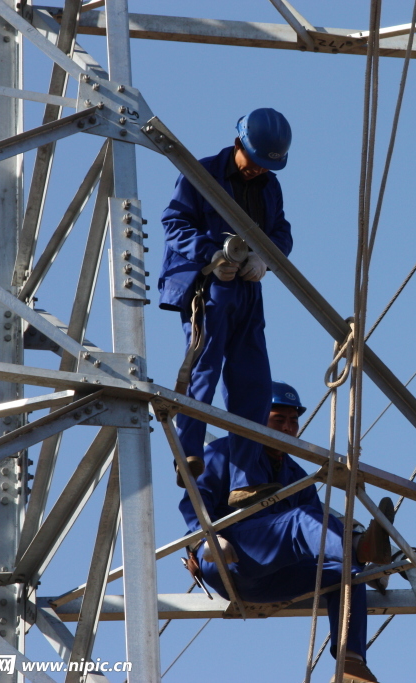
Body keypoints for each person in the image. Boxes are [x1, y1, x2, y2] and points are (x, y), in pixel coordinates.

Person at [180, 382, 390, 683]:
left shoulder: (295, 475)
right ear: (257, 418)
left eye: (293, 421)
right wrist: (207, 538)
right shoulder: (224, 452)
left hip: (268, 578)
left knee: (346, 573)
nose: (289, 428)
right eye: (279, 419)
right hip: (228, 557)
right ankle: (359, 546)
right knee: (301, 521)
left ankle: (352, 665)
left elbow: (316, 530)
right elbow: (193, 498)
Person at [159, 108, 293, 498]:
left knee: (253, 382)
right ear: (239, 145)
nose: (256, 171)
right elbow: (175, 224)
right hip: (209, 286)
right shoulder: (201, 175)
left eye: (265, 166)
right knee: (205, 369)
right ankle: (188, 454)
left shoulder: (269, 185)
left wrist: (265, 256)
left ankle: (243, 480)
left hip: (247, 289)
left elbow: (281, 230)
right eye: (252, 162)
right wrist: (210, 256)